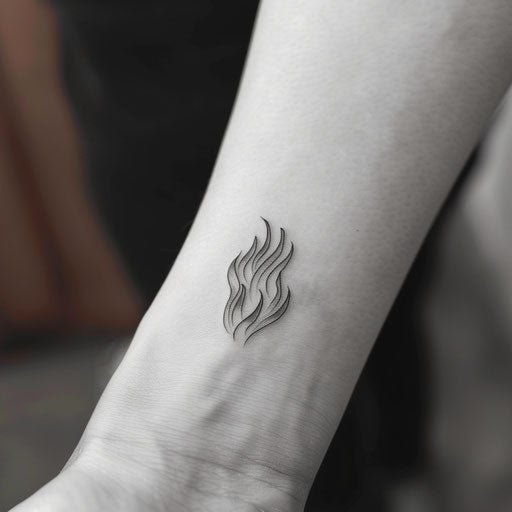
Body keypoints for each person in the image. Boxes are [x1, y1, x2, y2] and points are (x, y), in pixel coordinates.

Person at [11, 1, 512, 510]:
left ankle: (406, 463)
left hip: (388, 76)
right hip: (136, 87)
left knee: (401, 341)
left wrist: (187, 450)